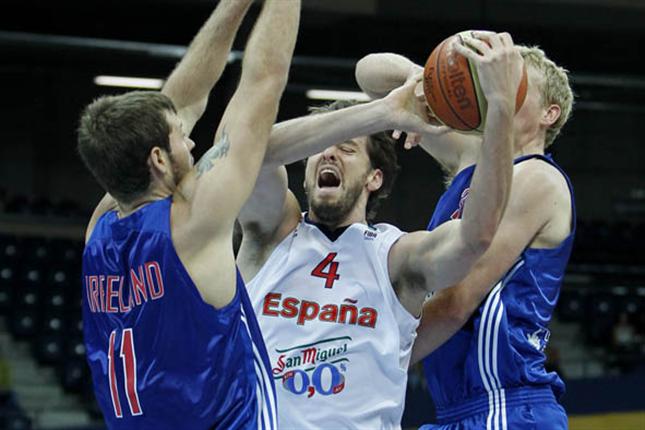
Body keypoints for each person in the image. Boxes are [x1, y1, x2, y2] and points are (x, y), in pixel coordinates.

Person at [236, 31, 520, 429]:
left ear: (374, 178)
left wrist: (502, 108)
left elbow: (476, 237)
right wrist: (384, 113)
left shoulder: (396, 258)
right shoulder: (272, 233)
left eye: (347, 148)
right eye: (320, 148)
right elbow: (247, 154)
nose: (330, 153)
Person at [77, 0, 300, 428]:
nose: (192, 143)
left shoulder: (101, 224)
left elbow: (180, 101)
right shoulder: (193, 221)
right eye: (182, 137)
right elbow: (264, 83)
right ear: (159, 160)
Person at [356, 33, 575, 429]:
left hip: (507, 405)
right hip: (457, 410)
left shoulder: (537, 177)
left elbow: (458, 300)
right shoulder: (470, 157)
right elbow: (369, 75)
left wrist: (369, 365)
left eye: (514, 80)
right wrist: (427, 84)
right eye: (496, 78)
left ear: (549, 114)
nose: (499, 87)